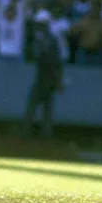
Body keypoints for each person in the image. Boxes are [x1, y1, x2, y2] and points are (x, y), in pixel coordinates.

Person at [23, 10, 64, 138]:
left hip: (47, 77)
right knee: (36, 109)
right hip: (43, 77)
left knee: (43, 109)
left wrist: (58, 80)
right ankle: (27, 135)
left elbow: (56, 61)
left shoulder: (49, 39)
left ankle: (43, 137)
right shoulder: (39, 38)